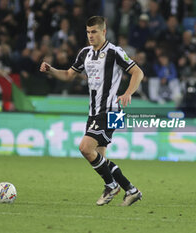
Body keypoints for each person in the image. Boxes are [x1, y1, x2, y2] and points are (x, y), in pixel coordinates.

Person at [40, 16, 144, 206]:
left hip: (111, 110)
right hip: (95, 112)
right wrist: (51, 69)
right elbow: (69, 75)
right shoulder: (85, 53)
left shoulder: (115, 52)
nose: (90, 35)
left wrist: (128, 92)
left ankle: (113, 186)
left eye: (94, 31)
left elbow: (138, 72)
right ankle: (130, 190)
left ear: (104, 32)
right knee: (100, 160)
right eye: (88, 32)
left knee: (85, 148)